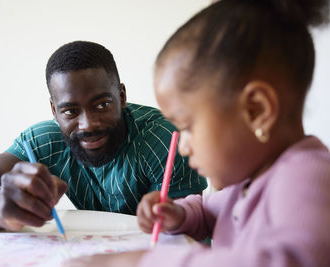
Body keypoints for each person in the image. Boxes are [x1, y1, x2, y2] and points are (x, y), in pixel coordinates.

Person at [64, 0, 330, 266]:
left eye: (187, 127)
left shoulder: (306, 177)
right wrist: (178, 214)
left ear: (256, 110)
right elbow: (207, 209)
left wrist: (144, 262)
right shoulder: (248, 181)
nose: (182, 147)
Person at [0, 41, 207, 232]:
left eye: (102, 104)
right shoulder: (45, 141)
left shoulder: (164, 139)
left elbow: (183, 234)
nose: (88, 124)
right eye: (70, 110)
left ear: (122, 97)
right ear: (54, 111)